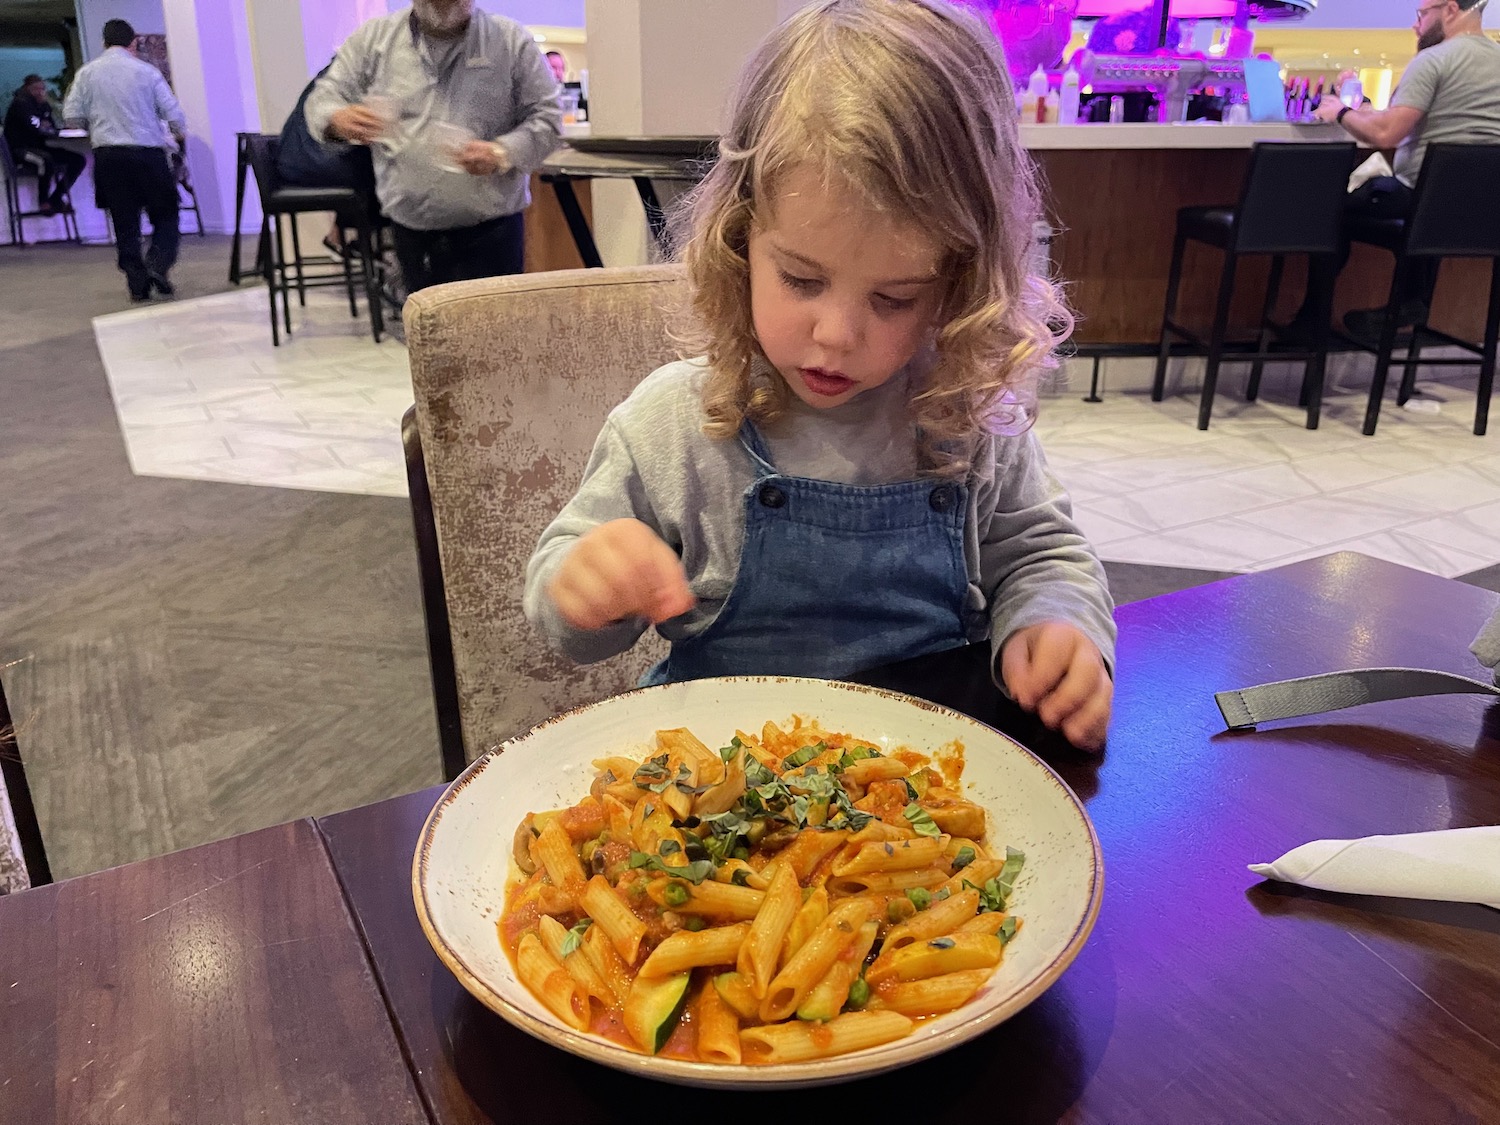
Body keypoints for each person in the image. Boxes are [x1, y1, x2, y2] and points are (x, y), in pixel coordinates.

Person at [523, 0, 1116, 750]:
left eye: (894, 298)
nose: (836, 336)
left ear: (959, 285)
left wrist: (1053, 622)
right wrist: (585, 585)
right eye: (802, 280)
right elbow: (563, 606)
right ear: (740, 242)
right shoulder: (670, 423)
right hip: (717, 792)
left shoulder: (963, 416)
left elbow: (1041, 551)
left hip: (921, 788)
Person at [304, 0, 562, 296]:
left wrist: (501, 153)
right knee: (426, 336)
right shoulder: (373, 40)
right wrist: (337, 119)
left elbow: (549, 119)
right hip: (411, 229)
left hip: (493, 230)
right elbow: (321, 100)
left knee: (495, 336)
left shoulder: (511, 40)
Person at [1290, 0, 1500, 342]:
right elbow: (1396, 118)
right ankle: (1410, 300)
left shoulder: (1434, 59)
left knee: (1327, 211)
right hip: (1484, 213)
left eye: (1421, 14)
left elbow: (1387, 135)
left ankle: (1310, 322)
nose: (1415, 24)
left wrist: (1340, 114)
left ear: (1449, 9)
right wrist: (1360, 109)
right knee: (1414, 216)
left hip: (1423, 202)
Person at [62, 18, 186, 301]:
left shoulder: (87, 73)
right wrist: (178, 133)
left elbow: (72, 116)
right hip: (148, 153)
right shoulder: (147, 72)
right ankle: (158, 263)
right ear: (133, 42)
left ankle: (137, 282)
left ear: (104, 42)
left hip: (109, 156)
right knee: (166, 213)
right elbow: (173, 113)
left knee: (124, 220)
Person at [278, 61, 379, 261]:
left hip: (298, 156)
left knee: (382, 166)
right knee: (387, 170)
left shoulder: (343, 67)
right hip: (305, 158)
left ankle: (348, 237)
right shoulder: (356, 68)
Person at [3, 74, 86, 215]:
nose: (41, 92)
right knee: (45, 160)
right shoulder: (20, 103)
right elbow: (35, 127)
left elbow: (50, 126)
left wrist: (47, 126)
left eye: (42, 88)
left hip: (39, 146)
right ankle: (43, 201)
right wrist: (43, 125)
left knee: (78, 160)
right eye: (36, 89)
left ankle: (56, 198)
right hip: (21, 149)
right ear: (27, 89)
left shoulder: (43, 105)